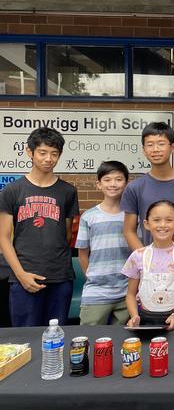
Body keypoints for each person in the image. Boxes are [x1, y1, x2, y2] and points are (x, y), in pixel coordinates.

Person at [0, 127, 79, 327]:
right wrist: (20, 274)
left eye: (54, 154)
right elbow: (4, 238)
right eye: (42, 153)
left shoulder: (68, 192)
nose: (48, 159)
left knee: (56, 338)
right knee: (26, 340)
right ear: (30, 152)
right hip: (24, 276)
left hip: (60, 277)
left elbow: (67, 234)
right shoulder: (12, 191)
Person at [122, 201, 174, 329]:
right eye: (157, 220)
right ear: (147, 224)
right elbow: (130, 294)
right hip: (144, 321)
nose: (162, 225)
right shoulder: (138, 255)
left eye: (169, 220)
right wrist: (134, 316)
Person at [75, 161, 132, 325]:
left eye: (118, 179)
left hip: (126, 292)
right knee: (90, 339)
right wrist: (93, 277)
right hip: (96, 292)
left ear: (126, 183)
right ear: (99, 184)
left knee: (124, 342)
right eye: (107, 180)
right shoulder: (89, 216)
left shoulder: (131, 216)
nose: (113, 184)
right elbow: (82, 254)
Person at [121, 122, 174, 251]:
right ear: (144, 150)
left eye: (161, 144)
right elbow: (129, 231)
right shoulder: (135, 187)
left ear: (173, 147)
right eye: (150, 145)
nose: (155, 149)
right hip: (149, 266)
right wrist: (145, 258)